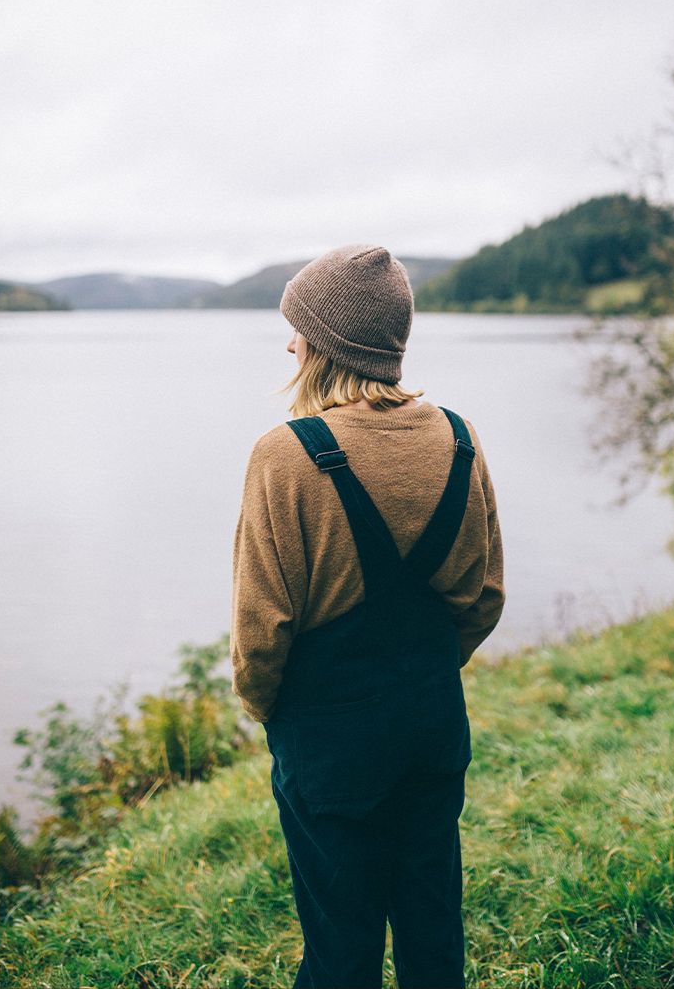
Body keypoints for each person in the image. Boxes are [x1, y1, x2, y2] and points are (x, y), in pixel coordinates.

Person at [230, 243, 505, 989]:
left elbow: (261, 632)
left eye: (299, 327)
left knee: (340, 950)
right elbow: (484, 597)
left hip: (329, 744)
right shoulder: (458, 436)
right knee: (432, 934)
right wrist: (419, 673)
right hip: (431, 723)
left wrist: (268, 710)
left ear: (326, 343)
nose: (289, 341)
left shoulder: (284, 456)